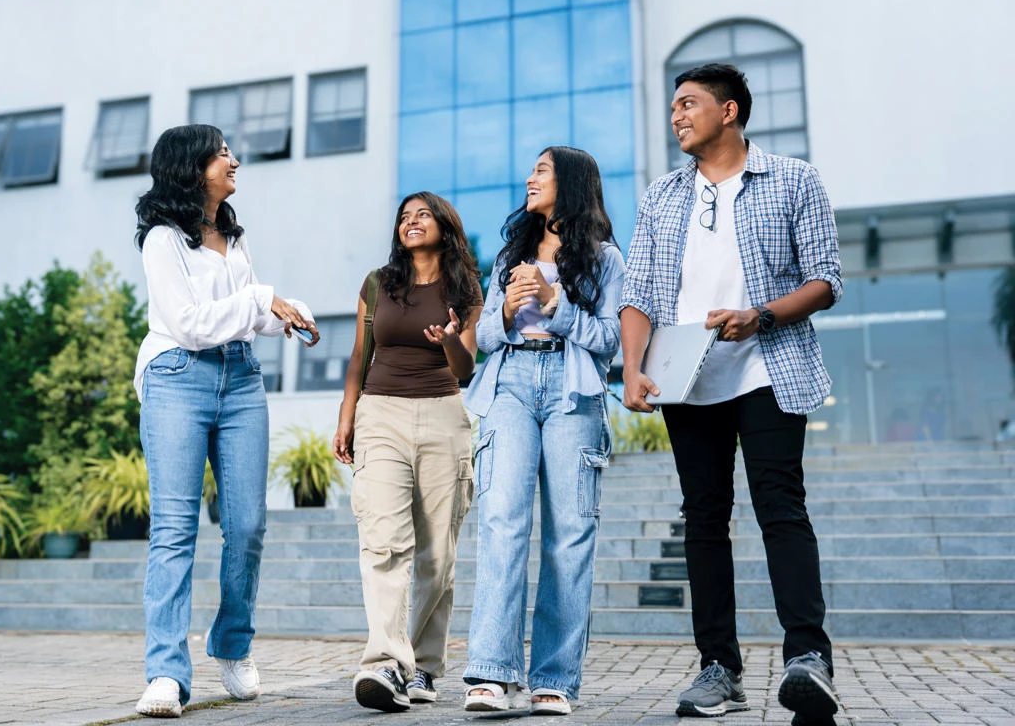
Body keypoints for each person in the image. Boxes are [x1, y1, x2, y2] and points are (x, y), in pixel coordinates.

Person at [619, 63, 842, 726]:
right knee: (703, 520)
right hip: (687, 378)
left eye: (689, 104)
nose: (677, 116)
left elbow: (826, 279)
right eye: (672, 107)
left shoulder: (794, 178)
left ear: (731, 110)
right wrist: (633, 370)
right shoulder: (662, 196)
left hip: (768, 367)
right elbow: (638, 294)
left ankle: (808, 659)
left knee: (781, 507)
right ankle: (720, 669)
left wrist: (761, 315)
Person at [132, 124, 319, 718]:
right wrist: (259, 300)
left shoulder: (231, 237)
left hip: (239, 380)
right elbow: (189, 323)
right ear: (193, 166)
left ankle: (232, 646)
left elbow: (243, 316)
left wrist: (285, 313)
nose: (233, 160)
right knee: (174, 528)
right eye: (222, 153)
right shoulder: (163, 241)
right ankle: (166, 672)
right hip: (177, 378)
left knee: (248, 525)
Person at [461, 146, 625, 716]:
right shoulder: (512, 255)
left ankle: (554, 679)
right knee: (502, 519)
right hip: (510, 382)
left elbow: (611, 340)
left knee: (570, 534)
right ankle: (489, 673)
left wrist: (554, 303)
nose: (530, 179)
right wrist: (506, 310)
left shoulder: (605, 259)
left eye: (542, 170)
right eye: (531, 170)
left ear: (572, 184)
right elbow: (483, 337)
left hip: (573, 388)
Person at [333, 192, 483, 713]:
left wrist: (446, 339)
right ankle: (384, 662)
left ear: (444, 225)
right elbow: (359, 355)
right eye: (403, 216)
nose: (410, 222)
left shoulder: (464, 287)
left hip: (444, 415)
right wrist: (346, 417)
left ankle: (422, 666)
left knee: (437, 554)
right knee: (384, 541)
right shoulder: (379, 284)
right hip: (381, 415)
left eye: (422, 215)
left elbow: (464, 367)